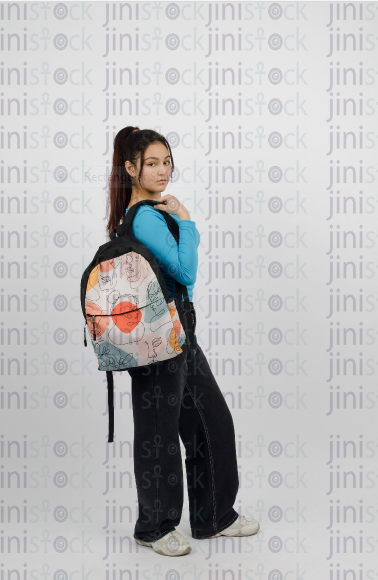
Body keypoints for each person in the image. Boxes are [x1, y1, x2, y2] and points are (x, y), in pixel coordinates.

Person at [106, 126, 260, 556]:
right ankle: (153, 527)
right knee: (159, 430)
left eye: (166, 161)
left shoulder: (147, 213)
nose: (162, 170)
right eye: (151, 163)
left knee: (210, 419)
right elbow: (185, 272)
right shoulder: (148, 216)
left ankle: (214, 516)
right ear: (131, 168)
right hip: (159, 335)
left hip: (175, 331)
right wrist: (187, 222)